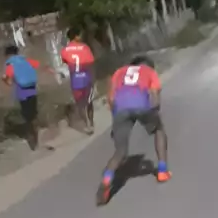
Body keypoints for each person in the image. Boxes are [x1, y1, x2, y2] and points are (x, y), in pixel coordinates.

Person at [96, 53, 171, 205]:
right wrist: (154, 116)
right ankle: (162, 170)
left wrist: (116, 123)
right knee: (159, 131)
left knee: (120, 151)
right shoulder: (150, 72)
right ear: (148, 66)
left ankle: (107, 178)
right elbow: (155, 99)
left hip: (120, 109)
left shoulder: (119, 72)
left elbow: (111, 99)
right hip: (141, 105)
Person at [3, 45, 41, 150]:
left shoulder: (10, 64)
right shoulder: (26, 60)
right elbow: (37, 64)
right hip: (32, 89)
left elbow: (9, 81)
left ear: (8, 55)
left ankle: (32, 142)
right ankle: (38, 137)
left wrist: (5, 80)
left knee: (27, 117)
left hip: (23, 93)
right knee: (33, 114)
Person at [61, 33, 95, 133]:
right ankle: (91, 122)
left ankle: (87, 124)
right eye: (79, 34)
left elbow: (65, 62)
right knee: (89, 102)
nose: (80, 36)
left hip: (75, 81)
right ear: (75, 36)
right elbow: (91, 62)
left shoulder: (65, 50)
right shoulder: (85, 47)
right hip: (86, 78)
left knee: (80, 104)